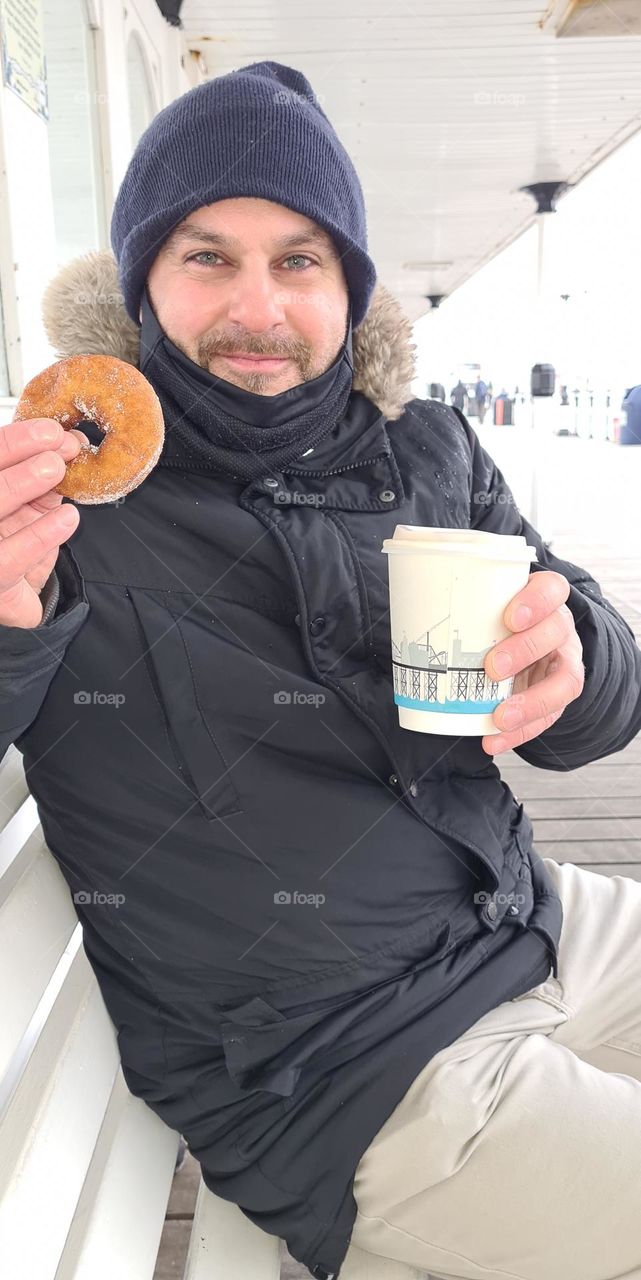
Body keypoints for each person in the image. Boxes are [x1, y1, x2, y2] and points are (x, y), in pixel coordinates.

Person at [2, 60, 641, 1280]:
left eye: (298, 259)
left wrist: (577, 663)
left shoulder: (427, 446)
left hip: (531, 918)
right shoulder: (68, 503)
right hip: (345, 1067)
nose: (258, 305)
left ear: (347, 284)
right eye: (207, 257)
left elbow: (589, 666)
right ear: (140, 282)